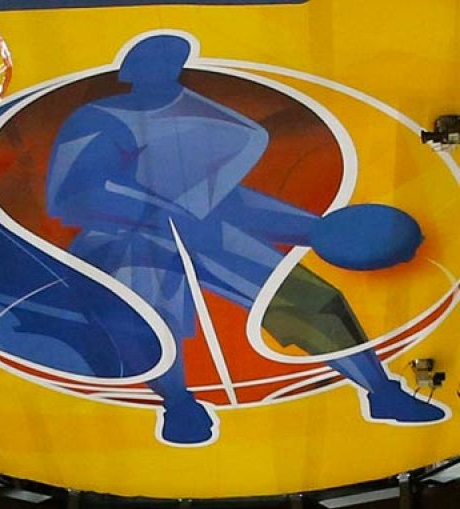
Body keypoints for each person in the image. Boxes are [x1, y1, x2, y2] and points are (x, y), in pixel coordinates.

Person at [44, 32, 444, 445]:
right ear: (131, 70)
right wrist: (156, 210)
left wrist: (309, 228)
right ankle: (179, 408)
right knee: (153, 320)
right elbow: (74, 198)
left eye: (165, 60)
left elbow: (224, 197)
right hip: (122, 237)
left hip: (210, 230)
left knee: (314, 301)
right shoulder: (97, 118)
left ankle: (382, 392)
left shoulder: (210, 118)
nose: (156, 69)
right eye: (148, 61)